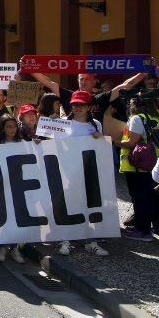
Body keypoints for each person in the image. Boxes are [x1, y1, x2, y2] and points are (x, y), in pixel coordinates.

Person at [56, 90, 109, 256]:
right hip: (67, 171)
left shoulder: (96, 125)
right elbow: (52, 147)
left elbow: (101, 148)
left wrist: (100, 138)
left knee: (89, 204)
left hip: (88, 172)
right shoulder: (62, 123)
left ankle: (90, 240)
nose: (78, 108)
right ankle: (65, 239)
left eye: (82, 105)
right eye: (75, 104)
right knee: (68, 204)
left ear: (89, 107)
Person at [114, 96, 159, 241]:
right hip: (151, 163)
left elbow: (131, 142)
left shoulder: (137, 118)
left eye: (130, 103)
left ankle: (143, 230)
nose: (129, 105)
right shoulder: (155, 117)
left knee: (140, 197)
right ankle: (145, 226)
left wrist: (115, 141)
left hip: (138, 165)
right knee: (148, 196)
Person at [31, 72, 145, 122]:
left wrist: (144, 73)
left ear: (94, 82)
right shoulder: (69, 96)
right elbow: (49, 83)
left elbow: (125, 85)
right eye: (81, 79)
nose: (83, 82)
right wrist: (31, 68)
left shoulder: (101, 98)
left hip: (95, 142)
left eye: (87, 79)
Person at [0, 114, 26, 264]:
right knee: (3, 216)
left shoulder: (24, 143)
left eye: (14, 126)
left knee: (17, 216)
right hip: (1, 187)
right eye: (8, 126)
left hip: (19, 185)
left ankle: (15, 247)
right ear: (3, 129)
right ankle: (3, 247)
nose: (12, 129)